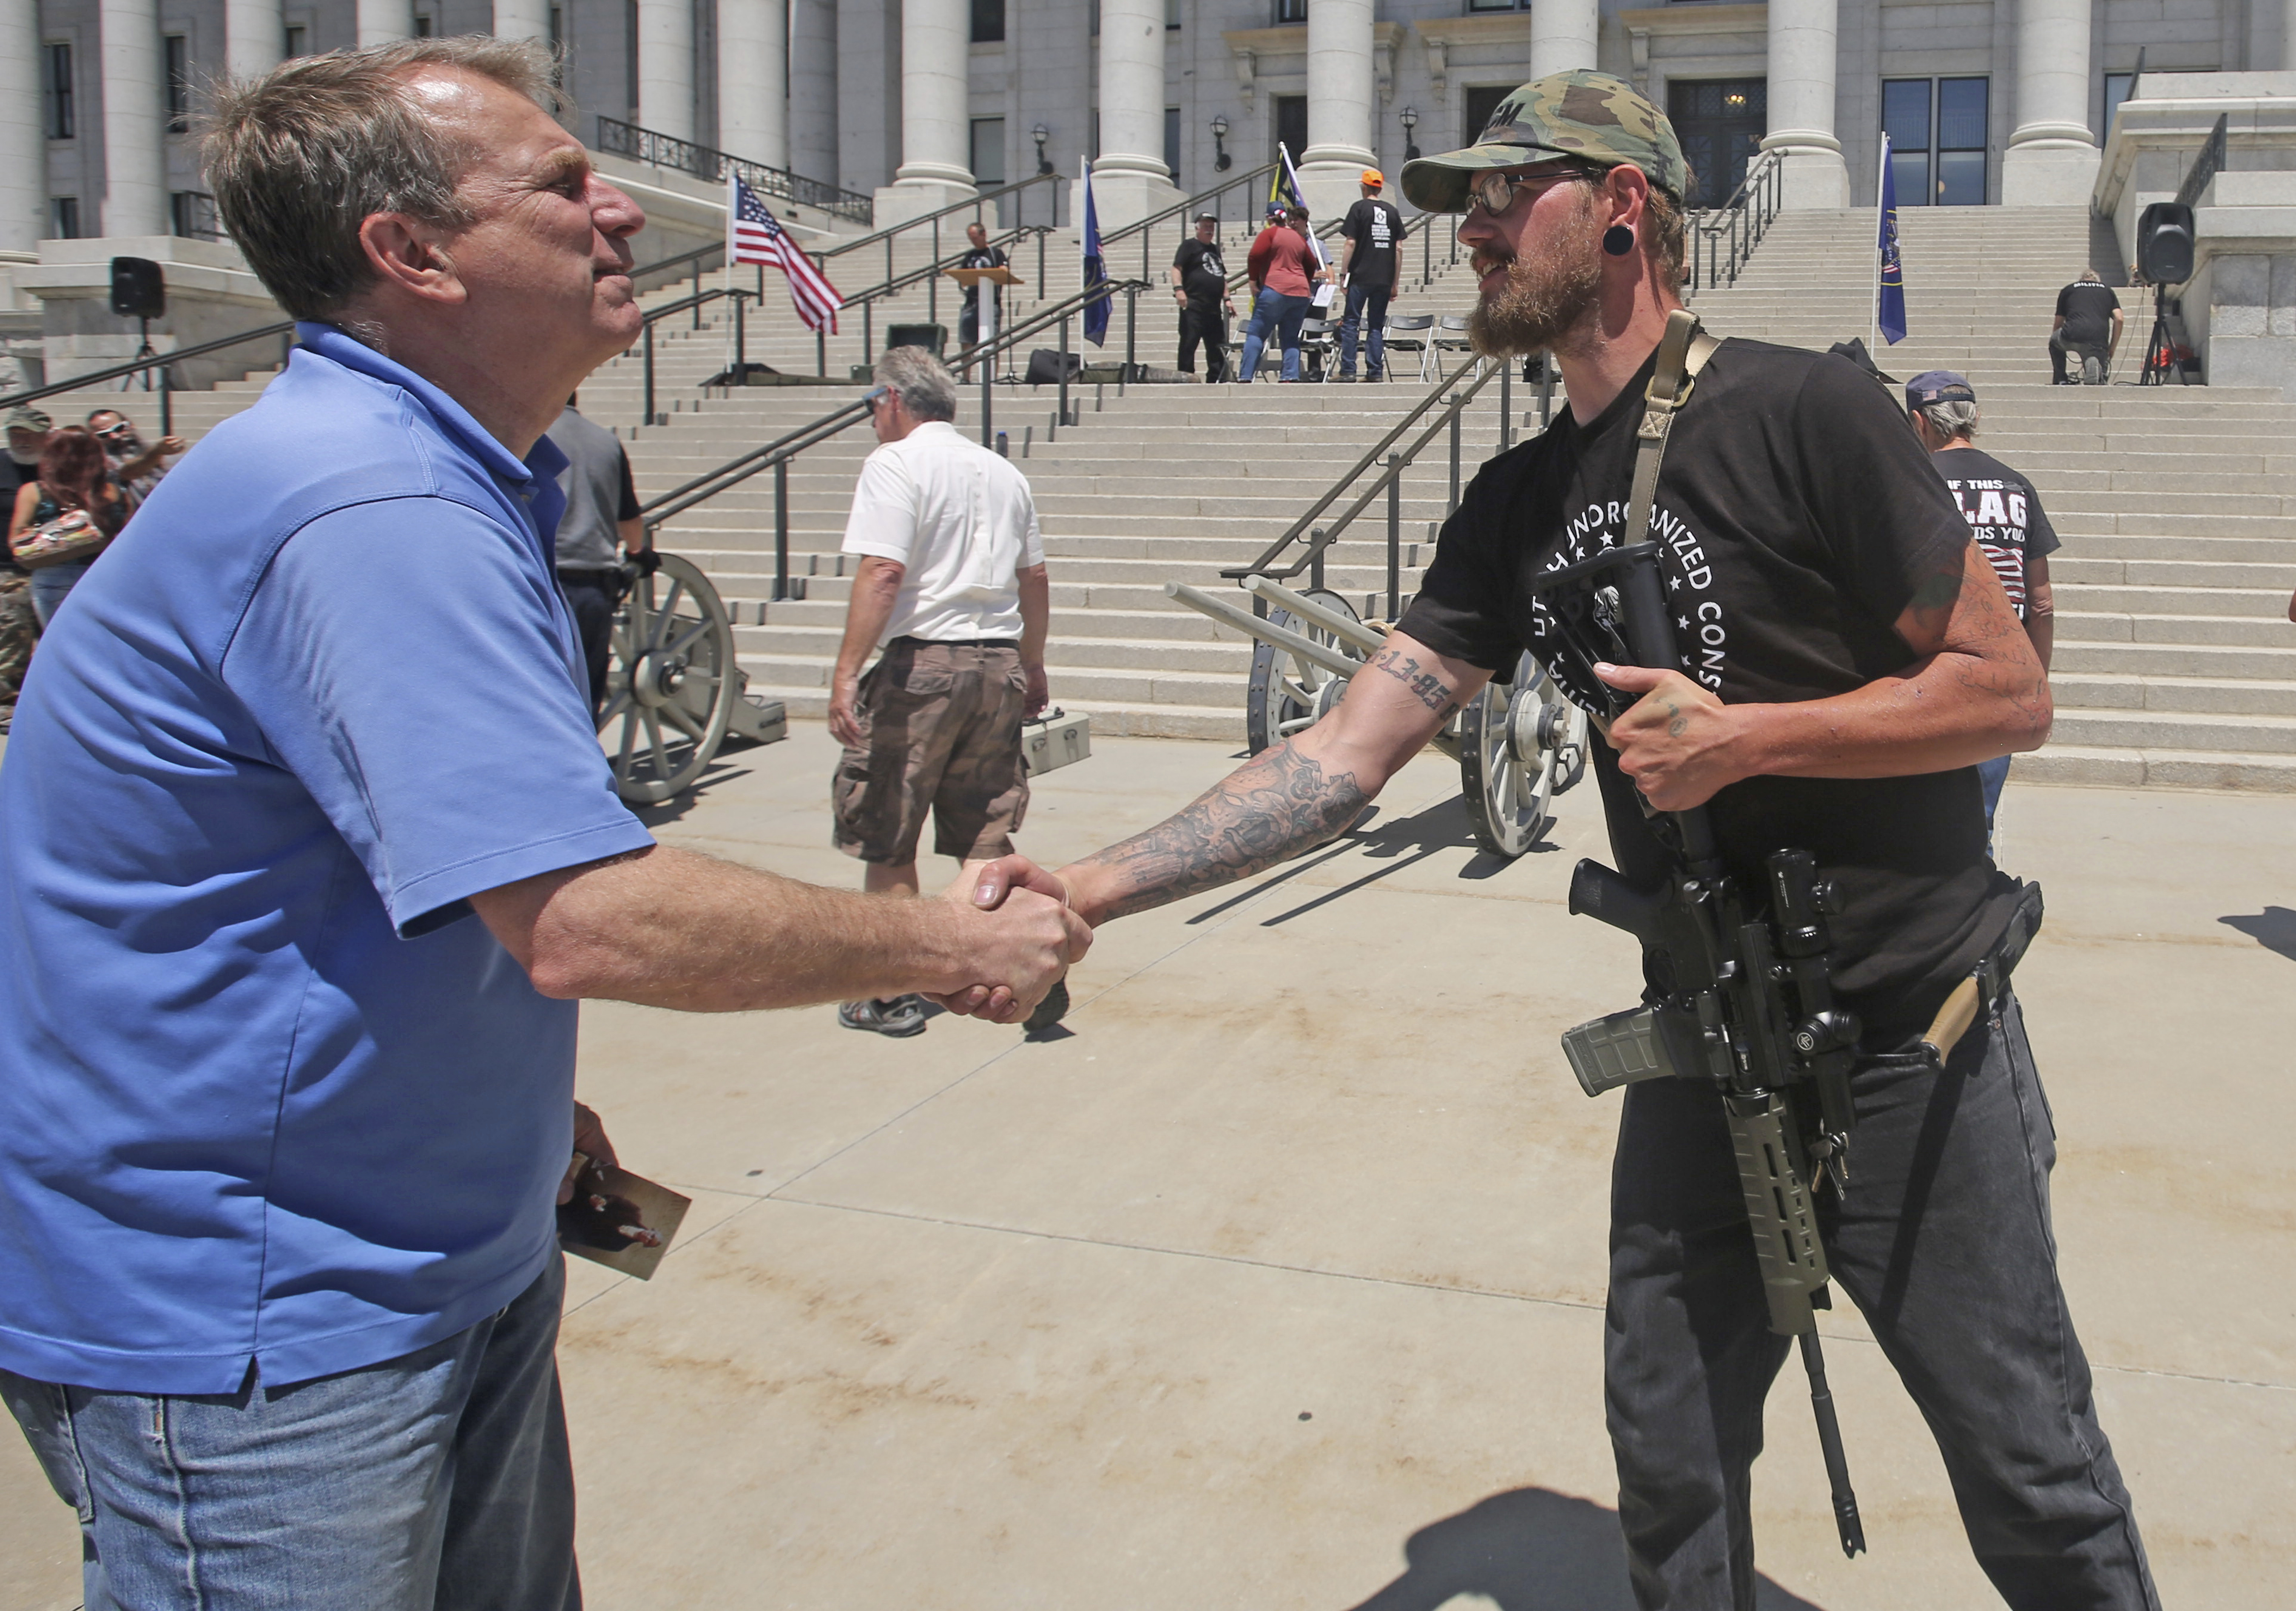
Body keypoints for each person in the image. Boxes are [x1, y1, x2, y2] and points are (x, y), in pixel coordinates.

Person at [978, 70, 2157, 1611]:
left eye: (1495, 195)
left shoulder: (1799, 407)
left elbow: (2006, 691)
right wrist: (1083, 884)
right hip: (1703, 1041)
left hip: (1904, 1034)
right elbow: (1342, 758)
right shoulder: (1514, 496)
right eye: (1456, 203)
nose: (1462, 229)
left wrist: (1749, 739)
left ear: (1617, 209)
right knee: (1666, 1451)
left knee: (2027, 1467)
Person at [0, 37, 1083, 1611]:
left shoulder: (424, 472)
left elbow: (400, 881)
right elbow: (586, 914)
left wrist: (502, 1106)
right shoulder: (363, 502)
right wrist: (943, 937)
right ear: (410, 254)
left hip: (428, 1246)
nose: (622, 212)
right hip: (260, 1324)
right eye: (564, 185)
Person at [828, 346, 1052, 1037]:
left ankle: (893, 990)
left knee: (891, 830)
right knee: (983, 827)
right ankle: (991, 967)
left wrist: (845, 672)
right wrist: (1034, 665)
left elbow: (883, 572)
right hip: (997, 663)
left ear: (894, 399)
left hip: (923, 663)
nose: (871, 416)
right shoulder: (1003, 472)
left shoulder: (895, 463)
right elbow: (1034, 579)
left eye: (872, 402)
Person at [1906, 369, 2057, 832]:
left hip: (1929, 669)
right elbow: (2043, 601)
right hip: (2003, 665)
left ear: (1918, 423)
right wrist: (2036, 679)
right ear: (1975, 418)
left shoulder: (1917, 483)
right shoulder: (2017, 487)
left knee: (1926, 823)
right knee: (1979, 822)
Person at [547, 392, 649, 713]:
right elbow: (629, 519)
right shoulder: (607, 442)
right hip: (592, 582)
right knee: (584, 695)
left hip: (539, 578)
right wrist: (639, 553)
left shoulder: (528, 436)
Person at [6, 424, 135, 628]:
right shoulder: (111, 492)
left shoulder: (34, 491)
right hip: (103, 575)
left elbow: (16, 540)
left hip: (53, 576)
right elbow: (128, 536)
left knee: (59, 643)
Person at [1336, 168, 1409, 381]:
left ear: (1364, 187)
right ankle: (1375, 371)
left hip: (1360, 276)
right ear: (1380, 188)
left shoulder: (1359, 208)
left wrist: (1343, 274)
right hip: (1384, 278)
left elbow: (1351, 242)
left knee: (1351, 322)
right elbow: (1399, 249)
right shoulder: (1393, 212)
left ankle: (1348, 370)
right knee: (1376, 326)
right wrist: (1395, 282)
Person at [1237, 205, 1323, 384]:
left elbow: (1255, 256)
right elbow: (1311, 261)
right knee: (1291, 336)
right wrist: (1304, 282)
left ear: (1270, 219)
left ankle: (1246, 375)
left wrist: (1253, 281)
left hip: (1275, 288)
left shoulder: (1270, 234)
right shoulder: (1298, 238)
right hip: (1300, 293)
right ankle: (1290, 375)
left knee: (1257, 333)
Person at [1171, 211, 1235, 381]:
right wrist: (1179, 290)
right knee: (1189, 344)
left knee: (1216, 346)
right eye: (1206, 226)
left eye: (1212, 227)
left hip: (1213, 309)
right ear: (1197, 228)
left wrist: (1227, 299)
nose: (1209, 230)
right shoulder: (1189, 246)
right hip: (1193, 305)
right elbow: (1177, 268)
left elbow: (1220, 275)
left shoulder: (1214, 249)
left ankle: (1215, 378)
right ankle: (1185, 377)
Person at [85, 406, 188, 496]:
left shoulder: (169, 458)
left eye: (119, 428)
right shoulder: (100, 468)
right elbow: (128, 472)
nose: (115, 437)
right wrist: (156, 452)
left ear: (131, 425)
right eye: (103, 435)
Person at [2050, 267, 2123, 384]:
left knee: (2055, 342)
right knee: (2094, 351)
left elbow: (2058, 324)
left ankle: (2061, 378)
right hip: (2098, 339)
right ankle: (2096, 367)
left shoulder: (2068, 290)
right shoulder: (2108, 291)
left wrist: (2057, 339)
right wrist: (2112, 348)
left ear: (2081, 281)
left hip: (2072, 333)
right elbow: (2119, 319)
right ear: (2098, 281)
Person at [955, 219, 1007, 351]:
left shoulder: (995, 253)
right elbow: (963, 276)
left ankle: (991, 371)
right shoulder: (970, 255)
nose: (973, 241)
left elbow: (1004, 271)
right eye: (970, 238)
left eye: (975, 237)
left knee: (992, 342)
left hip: (991, 302)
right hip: (972, 302)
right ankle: (966, 372)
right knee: (966, 340)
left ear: (984, 234)